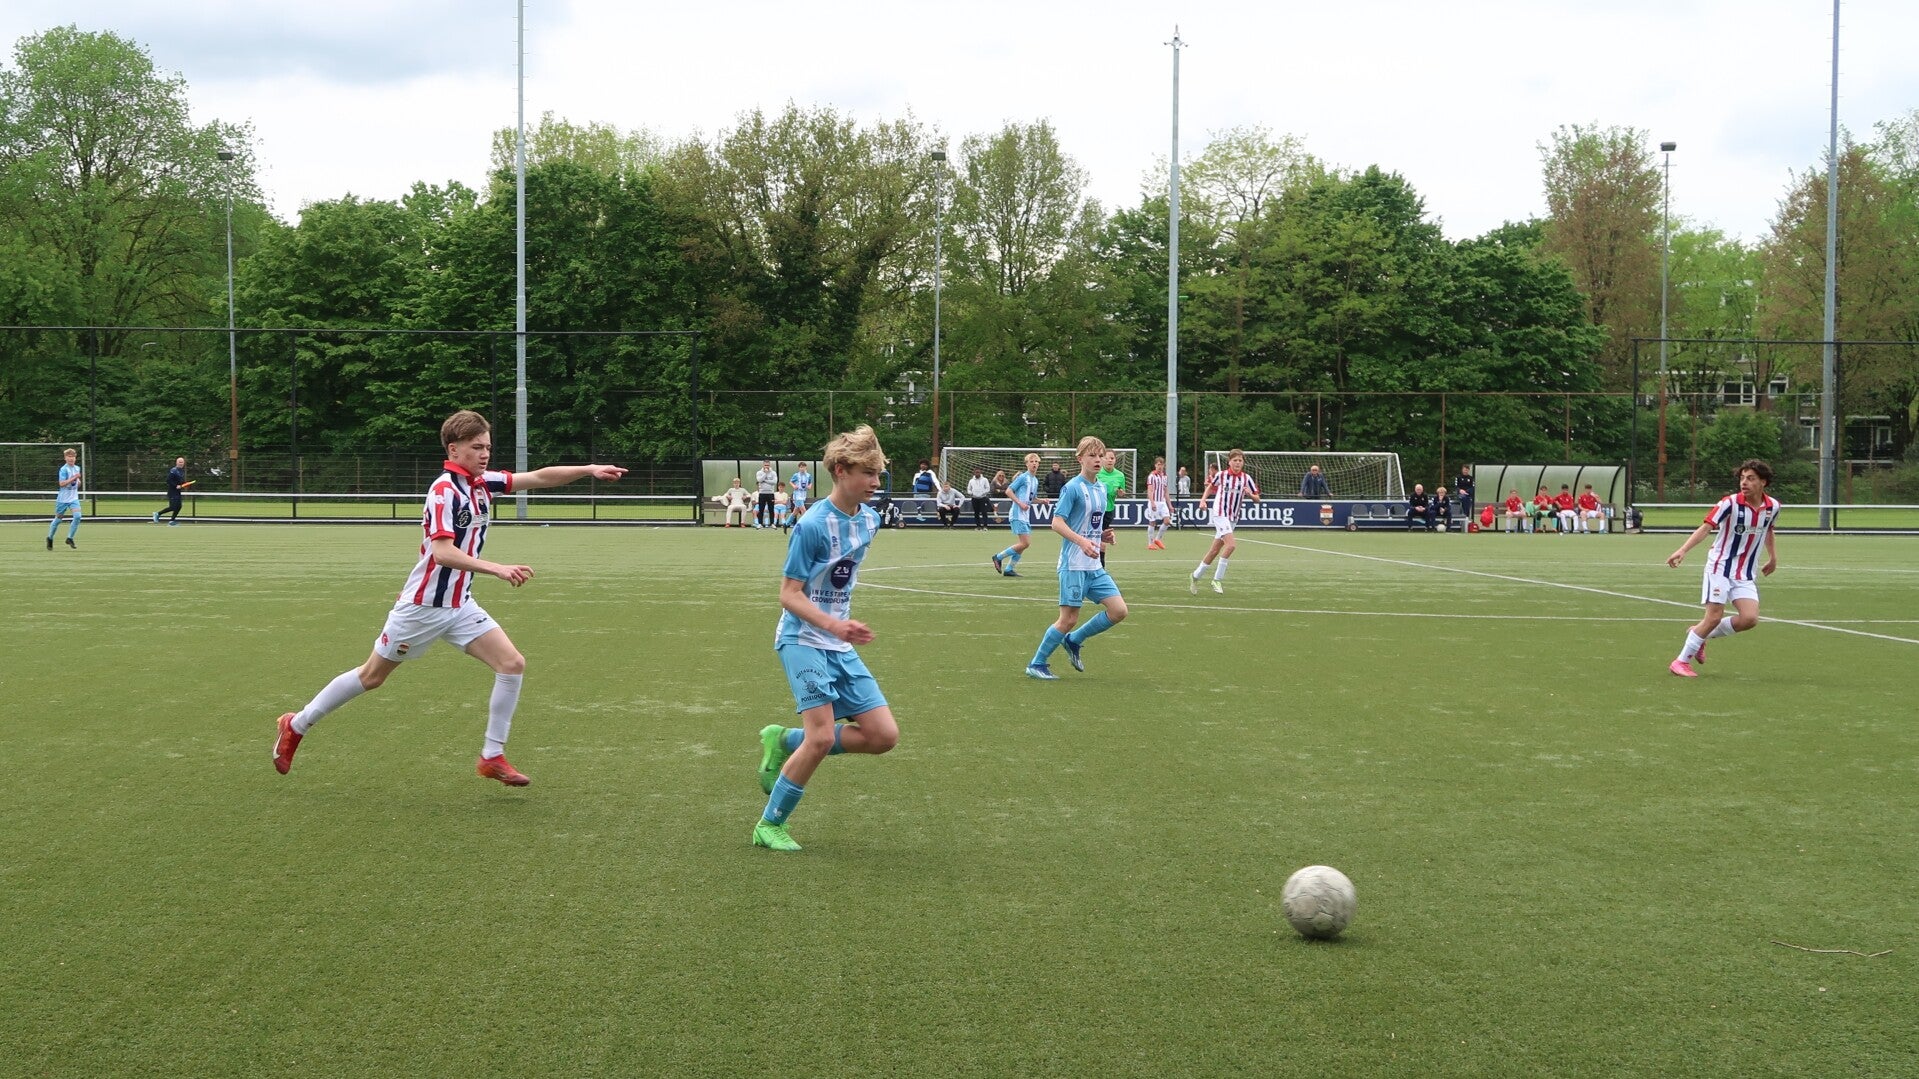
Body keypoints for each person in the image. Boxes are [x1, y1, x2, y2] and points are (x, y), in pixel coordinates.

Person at [271, 409, 626, 786]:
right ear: (454, 449)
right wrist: (497, 568)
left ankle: (492, 756)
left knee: (511, 664)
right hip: (422, 607)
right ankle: (296, 724)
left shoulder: (483, 483)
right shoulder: (443, 491)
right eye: (476, 447)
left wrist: (590, 469)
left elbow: (538, 477)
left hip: (459, 605)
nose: (485, 454)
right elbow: (442, 553)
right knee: (372, 677)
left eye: (487, 447)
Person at [751, 425, 898, 852]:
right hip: (802, 639)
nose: (875, 482)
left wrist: (839, 627)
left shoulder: (870, 520)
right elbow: (788, 594)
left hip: (839, 642)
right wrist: (834, 625)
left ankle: (783, 740)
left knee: (882, 736)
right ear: (840, 471)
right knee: (819, 737)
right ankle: (769, 825)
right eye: (867, 473)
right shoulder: (812, 525)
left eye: (878, 473)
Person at [1025, 436, 1128, 680]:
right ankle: (1036, 664)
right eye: (1092, 455)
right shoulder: (1072, 488)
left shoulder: (1101, 488)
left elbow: (1090, 525)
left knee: (1119, 611)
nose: (1098, 460)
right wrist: (1082, 542)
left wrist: (1103, 535)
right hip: (1073, 564)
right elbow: (1057, 523)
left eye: (1100, 455)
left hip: (1094, 566)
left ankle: (1074, 640)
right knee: (1068, 619)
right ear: (1080, 458)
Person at [1665, 459, 1779, 678]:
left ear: (1763, 482)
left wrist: (1773, 557)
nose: (1744, 482)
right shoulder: (1730, 503)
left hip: (1744, 572)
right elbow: (1706, 527)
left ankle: (1700, 635)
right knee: (1714, 616)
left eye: (1750, 478)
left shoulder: (1773, 507)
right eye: (1742, 478)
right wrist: (1683, 550)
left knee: (1749, 619)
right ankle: (1681, 661)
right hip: (1720, 566)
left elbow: (1768, 530)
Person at [1191, 449, 1261, 594]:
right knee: (1231, 545)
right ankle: (1217, 580)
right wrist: (1203, 500)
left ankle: (1195, 575)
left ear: (1243, 463)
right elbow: (1210, 487)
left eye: (1240, 460)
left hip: (1233, 517)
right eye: (1235, 460)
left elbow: (1257, 499)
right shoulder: (1222, 475)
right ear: (1229, 462)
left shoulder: (1246, 478)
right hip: (1220, 513)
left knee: (1214, 550)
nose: (1237, 463)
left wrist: (1250, 495)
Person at [993, 453, 1043, 577]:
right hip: (1017, 513)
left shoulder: (1035, 480)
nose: (1034, 463)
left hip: (1025, 515)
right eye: (1031, 461)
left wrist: (1042, 501)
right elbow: (1008, 491)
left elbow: (1032, 498)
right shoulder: (1023, 477)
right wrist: (1020, 503)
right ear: (1026, 464)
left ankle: (1009, 569)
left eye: (1036, 461)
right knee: (1025, 543)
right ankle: (998, 557)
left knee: (1022, 545)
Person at [47, 447, 82, 550]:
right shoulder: (63, 469)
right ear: (65, 458)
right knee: (58, 520)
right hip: (63, 499)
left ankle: (69, 538)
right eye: (69, 456)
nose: (71, 458)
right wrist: (74, 478)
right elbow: (62, 484)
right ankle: (50, 538)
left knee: (77, 516)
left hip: (73, 498)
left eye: (73, 456)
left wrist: (78, 482)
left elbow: (77, 483)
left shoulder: (77, 468)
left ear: (75, 458)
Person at [1095, 450, 1125, 565]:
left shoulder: (1120, 475)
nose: (1109, 460)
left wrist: (1121, 493)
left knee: (1100, 541)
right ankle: (1098, 567)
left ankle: (1100, 567)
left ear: (1115, 460)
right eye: (1107, 458)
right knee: (1096, 539)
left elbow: (1121, 492)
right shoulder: (1097, 473)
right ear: (1102, 459)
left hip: (1108, 510)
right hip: (1096, 509)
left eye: (1112, 458)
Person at [153, 456, 193, 526]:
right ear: (176, 462)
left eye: (182, 462)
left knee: (179, 506)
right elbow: (168, 480)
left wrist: (185, 484)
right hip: (172, 492)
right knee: (173, 507)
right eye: (179, 462)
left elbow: (180, 481)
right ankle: (158, 514)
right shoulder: (173, 470)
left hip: (177, 492)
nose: (181, 463)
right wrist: (176, 486)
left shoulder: (181, 471)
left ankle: (172, 521)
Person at [1143, 456, 1172, 549]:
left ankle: (1158, 539)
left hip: (1162, 502)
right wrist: (1152, 502)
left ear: (1164, 466)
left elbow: (1166, 491)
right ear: (1155, 465)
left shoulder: (1165, 476)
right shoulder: (1152, 476)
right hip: (1154, 501)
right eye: (1158, 464)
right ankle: (1150, 543)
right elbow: (1150, 490)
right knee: (1152, 522)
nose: (1160, 466)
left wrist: (1170, 505)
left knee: (1167, 521)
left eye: (1161, 465)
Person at [754, 460, 779, 529]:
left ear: (770, 465)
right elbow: (759, 480)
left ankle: (772, 523)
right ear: (763, 465)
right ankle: (760, 524)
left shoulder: (773, 473)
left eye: (768, 465)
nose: (766, 467)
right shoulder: (759, 472)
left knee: (771, 509)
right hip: (762, 493)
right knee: (761, 509)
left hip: (770, 493)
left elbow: (774, 482)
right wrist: (765, 473)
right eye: (765, 465)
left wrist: (765, 480)